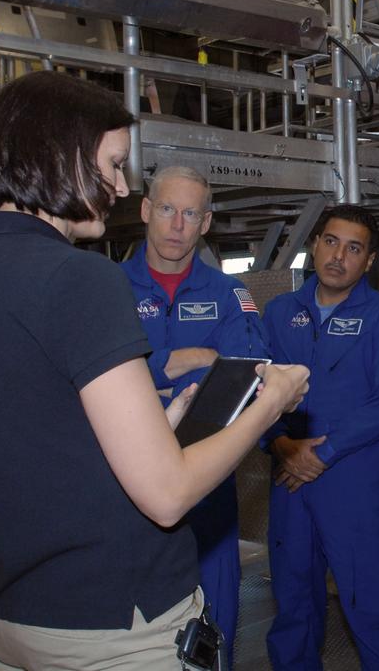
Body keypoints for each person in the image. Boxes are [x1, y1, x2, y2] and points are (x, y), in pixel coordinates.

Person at [0, 70, 308, 671]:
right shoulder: (82, 278)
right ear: (59, 158)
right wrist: (271, 402)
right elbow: (167, 495)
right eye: (114, 163)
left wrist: (159, 419)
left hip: (14, 612)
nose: (123, 189)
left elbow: (38, 430)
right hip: (114, 625)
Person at [261, 205, 379, 671]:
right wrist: (281, 445)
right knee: (292, 605)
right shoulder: (279, 313)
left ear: (369, 261)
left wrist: (323, 453)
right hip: (289, 480)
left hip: (353, 484)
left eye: (354, 248)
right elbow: (256, 390)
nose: (338, 256)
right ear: (314, 246)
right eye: (330, 242)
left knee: (369, 604)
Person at [122, 165, 268, 664]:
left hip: (204, 479)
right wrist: (180, 361)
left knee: (215, 618)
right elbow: (81, 377)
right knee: (128, 622)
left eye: (190, 213)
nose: (176, 225)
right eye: (166, 209)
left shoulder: (230, 296)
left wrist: (147, 371)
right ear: (146, 210)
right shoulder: (108, 289)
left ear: (206, 223)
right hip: (123, 482)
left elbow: (244, 378)